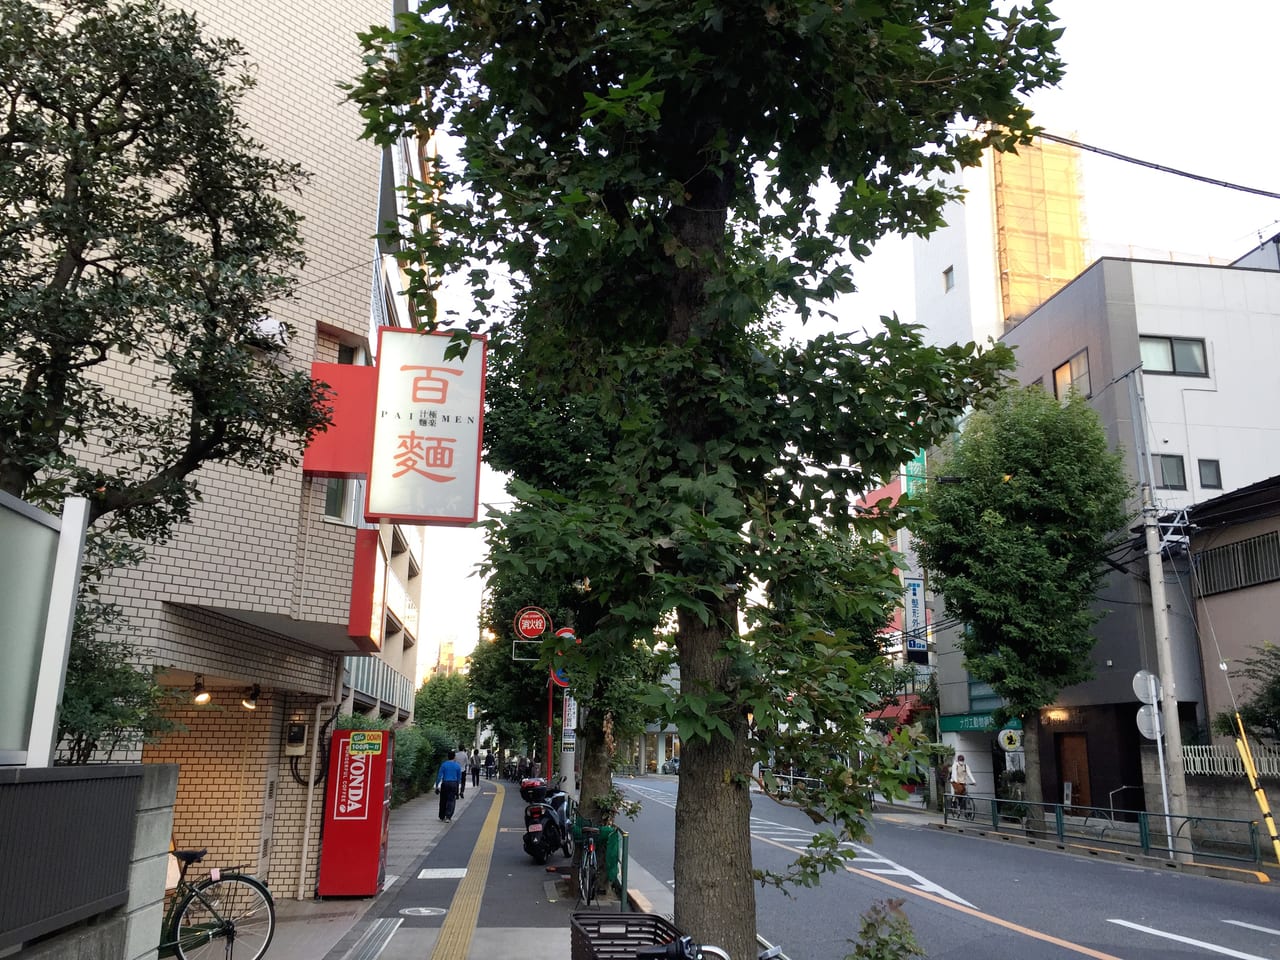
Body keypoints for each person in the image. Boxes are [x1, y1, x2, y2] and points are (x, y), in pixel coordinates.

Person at [436, 754, 463, 823]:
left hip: (445, 783)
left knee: (443, 800)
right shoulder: (457, 766)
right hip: (454, 783)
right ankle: (448, 816)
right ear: (454, 757)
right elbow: (459, 778)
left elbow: (439, 776)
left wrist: (437, 786)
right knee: (451, 800)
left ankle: (442, 816)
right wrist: (458, 787)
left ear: (448, 757)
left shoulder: (444, 765)